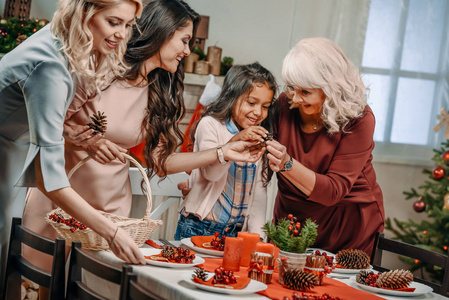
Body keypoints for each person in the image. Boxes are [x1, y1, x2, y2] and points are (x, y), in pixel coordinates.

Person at [22, 0, 265, 282]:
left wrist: (224, 151)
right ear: (162, 32)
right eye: (184, 41)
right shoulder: (102, 68)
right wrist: (86, 142)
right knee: (40, 285)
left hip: (112, 211)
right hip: (60, 201)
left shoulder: (158, 91)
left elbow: (162, 162)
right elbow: (48, 125)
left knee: (92, 289)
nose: (187, 51)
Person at [0, 0, 144, 291]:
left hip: (12, 151)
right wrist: (112, 232)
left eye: (127, 25)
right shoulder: (51, 65)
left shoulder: (62, 41)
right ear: (85, 13)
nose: (121, 34)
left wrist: (64, 132)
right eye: (113, 22)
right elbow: (49, 180)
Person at [265, 37, 384, 255]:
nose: (295, 98)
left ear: (330, 87)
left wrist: (287, 164)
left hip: (345, 227)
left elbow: (333, 191)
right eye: (291, 88)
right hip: (292, 221)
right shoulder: (284, 103)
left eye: (305, 92)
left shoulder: (358, 118)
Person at [174, 62, 278, 240]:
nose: (258, 112)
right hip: (199, 227)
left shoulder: (260, 137)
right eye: (251, 103)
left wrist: (258, 238)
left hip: (236, 234)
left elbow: (259, 197)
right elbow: (211, 173)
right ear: (232, 97)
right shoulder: (210, 125)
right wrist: (234, 142)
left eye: (265, 106)